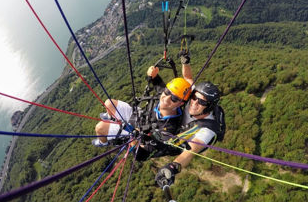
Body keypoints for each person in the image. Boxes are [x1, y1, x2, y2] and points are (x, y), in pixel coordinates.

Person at [155, 52, 226, 188]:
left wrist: (172, 167)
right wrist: (185, 62)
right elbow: (188, 78)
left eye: (201, 102)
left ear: (209, 107)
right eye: (194, 98)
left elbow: (191, 150)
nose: (194, 102)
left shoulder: (207, 129)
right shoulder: (193, 97)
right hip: (177, 122)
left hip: (182, 138)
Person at [93, 65, 192, 161]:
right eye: (167, 92)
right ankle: (113, 118)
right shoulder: (164, 94)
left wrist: (134, 138)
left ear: (180, 103)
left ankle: (104, 142)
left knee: (100, 128)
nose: (166, 98)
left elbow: (142, 155)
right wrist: (153, 74)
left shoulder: (168, 128)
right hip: (140, 117)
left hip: (136, 135)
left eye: (174, 98)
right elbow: (157, 83)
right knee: (109, 103)